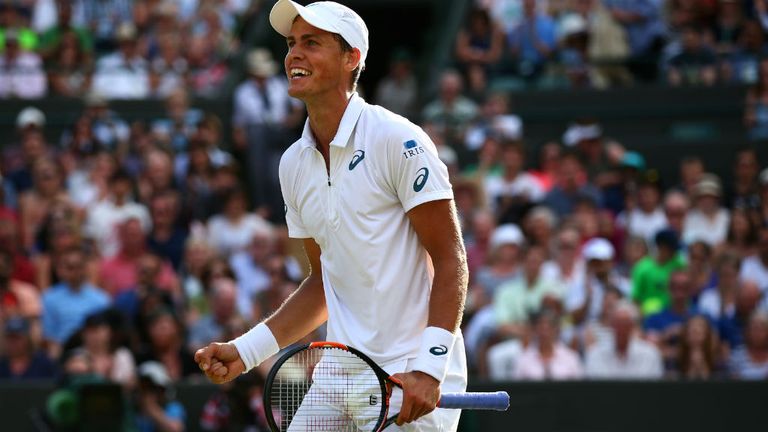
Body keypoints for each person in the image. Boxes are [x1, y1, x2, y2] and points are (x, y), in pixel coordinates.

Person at [195, 1, 469, 430]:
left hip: (408, 373)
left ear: (351, 58)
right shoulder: (293, 164)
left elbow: (451, 258)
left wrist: (431, 366)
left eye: (311, 43)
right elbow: (323, 283)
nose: (294, 55)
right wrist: (246, 352)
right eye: (290, 44)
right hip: (338, 375)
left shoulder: (399, 140)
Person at [584, 300, 664, 379]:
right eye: (617, 324)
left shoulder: (650, 355)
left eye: (625, 324)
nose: (621, 329)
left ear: (632, 326)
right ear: (611, 325)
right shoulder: (595, 354)